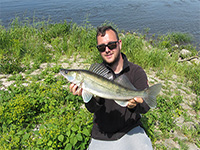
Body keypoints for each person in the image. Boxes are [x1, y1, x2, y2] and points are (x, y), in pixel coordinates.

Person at [69, 26, 153, 150]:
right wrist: (88, 95)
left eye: (111, 45)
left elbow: (145, 107)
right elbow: (92, 109)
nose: (107, 50)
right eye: (102, 48)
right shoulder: (95, 74)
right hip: (102, 133)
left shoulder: (136, 71)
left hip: (130, 129)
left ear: (120, 44)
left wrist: (135, 105)